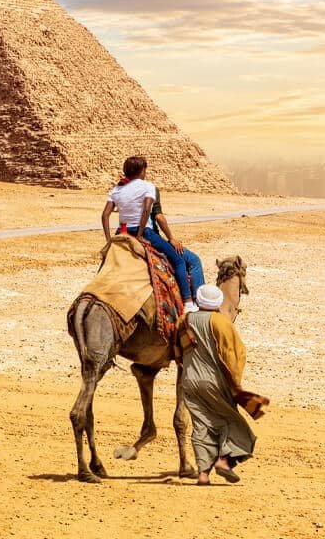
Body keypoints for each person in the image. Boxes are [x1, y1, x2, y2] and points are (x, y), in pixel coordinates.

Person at [179, 284, 266, 485]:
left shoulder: (184, 320)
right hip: (214, 382)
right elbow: (233, 354)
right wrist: (235, 384)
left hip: (189, 381)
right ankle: (224, 461)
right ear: (217, 302)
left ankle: (203, 474)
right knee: (233, 421)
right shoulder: (221, 322)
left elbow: (178, 351)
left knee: (201, 425)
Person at [100, 155, 198, 312]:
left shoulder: (116, 190)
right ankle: (187, 302)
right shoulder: (148, 186)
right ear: (141, 171)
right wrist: (139, 234)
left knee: (108, 263)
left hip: (122, 232)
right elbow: (147, 209)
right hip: (144, 231)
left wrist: (109, 240)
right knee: (179, 260)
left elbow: (105, 215)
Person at [148, 188, 205, 302]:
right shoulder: (149, 189)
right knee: (192, 260)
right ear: (142, 171)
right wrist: (171, 238)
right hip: (149, 235)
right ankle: (198, 302)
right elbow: (159, 217)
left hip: (123, 232)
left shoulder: (120, 188)